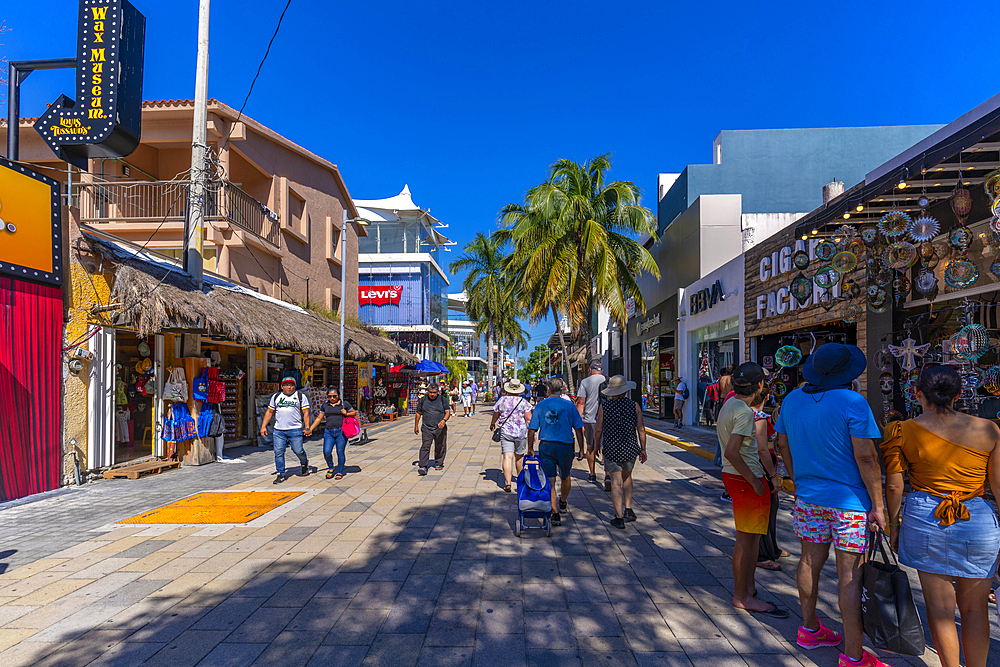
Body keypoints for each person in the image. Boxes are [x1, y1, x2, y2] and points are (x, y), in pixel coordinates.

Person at [775, 343, 887, 667]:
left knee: (809, 561)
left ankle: (809, 629)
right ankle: (853, 656)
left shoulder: (792, 399)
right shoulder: (854, 401)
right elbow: (866, 456)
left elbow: (781, 442)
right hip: (850, 504)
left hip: (809, 498)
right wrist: (879, 506)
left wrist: (798, 480)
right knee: (850, 575)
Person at [881, 365, 1000, 667]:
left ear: (917, 392)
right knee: (975, 610)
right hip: (978, 521)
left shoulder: (902, 430)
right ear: (960, 394)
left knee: (940, 609)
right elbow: (998, 486)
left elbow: (895, 485)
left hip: (924, 519)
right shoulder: (989, 429)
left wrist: (894, 524)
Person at [718, 363, 788, 619]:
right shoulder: (746, 413)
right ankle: (741, 595)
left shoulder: (731, 405)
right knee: (746, 541)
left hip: (737, 476)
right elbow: (732, 452)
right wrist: (757, 482)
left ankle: (747, 587)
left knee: (752, 538)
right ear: (759, 386)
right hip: (745, 477)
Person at [527, 378, 585, 526]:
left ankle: (555, 513)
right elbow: (579, 429)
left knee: (550, 480)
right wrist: (581, 448)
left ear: (548, 390)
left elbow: (532, 429)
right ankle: (563, 502)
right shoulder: (569, 406)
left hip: (547, 445)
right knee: (565, 476)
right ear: (562, 391)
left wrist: (530, 448)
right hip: (566, 445)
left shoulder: (541, 405)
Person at [594, 375, 647, 529]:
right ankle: (628, 510)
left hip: (612, 448)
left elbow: (598, 429)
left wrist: (597, 445)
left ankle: (618, 517)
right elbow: (641, 430)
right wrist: (643, 449)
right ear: (625, 391)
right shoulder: (634, 405)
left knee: (615, 482)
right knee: (627, 477)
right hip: (630, 448)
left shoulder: (605, 407)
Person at [751, 392, 786, 571]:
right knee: (767, 508)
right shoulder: (759, 418)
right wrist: (773, 476)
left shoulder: (747, 414)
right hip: (764, 466)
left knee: (772, 507)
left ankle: (771, 547)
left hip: (764, 464)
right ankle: (763, 552)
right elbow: (763, 449)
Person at [260, 376, 311, 484]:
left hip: (295, 429)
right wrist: (263, 426)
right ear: (282, 386)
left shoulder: (300, 396)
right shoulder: (276, 396)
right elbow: (269, 412)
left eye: (291, 385)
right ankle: (280, 474)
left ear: (295, 386)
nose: (289, 387)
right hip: (279, 430)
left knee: (298, 450)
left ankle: (304, 462)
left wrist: (307, 427)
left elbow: (306, 413)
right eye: (286, 385)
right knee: (278, 451)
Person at [490, 378, 533, 492]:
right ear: (519, 390)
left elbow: (496, 414)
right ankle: (519, 482)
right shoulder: (524, 402)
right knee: (519, 457)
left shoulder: (502, 400)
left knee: (507, 457)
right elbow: (529, 420)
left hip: (506, 432)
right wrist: (532, 435)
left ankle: (508, 483)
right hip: (521, 433)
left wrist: (492, 423)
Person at [306, 388, 357, 480]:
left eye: (334, 396)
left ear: (338, 395)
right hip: (328, 432)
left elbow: (354, 412)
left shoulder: (344, 404)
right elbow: (319, 418)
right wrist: (310, 429)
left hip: (341, 432)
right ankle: (331, 467)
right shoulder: (325, 405)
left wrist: (346, 413)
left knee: (340, 452)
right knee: (326, 451)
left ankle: (340, 471)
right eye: (330, 396)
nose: (332, 398)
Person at [576, 360, 611, 491]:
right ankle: (607, 475)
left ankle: (592, 474)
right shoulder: (608, 380)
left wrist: (578, 421)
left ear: (590, 370)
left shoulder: (585, 382)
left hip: (590, 419)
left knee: (590, 447)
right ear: (601, 371)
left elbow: (581, 402)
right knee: (606, 446)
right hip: (607, 418)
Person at [414, 383, 451, 475]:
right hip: (426, 427)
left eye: (434, 392)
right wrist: (416, 426)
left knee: (440, 446)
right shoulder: (422, 400)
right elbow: (418, 413)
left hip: (440, 428)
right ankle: (423, 466)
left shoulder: (442, 399)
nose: (432, 394)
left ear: (437, 392)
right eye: (430, 392)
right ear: (427, 392)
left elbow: (447, 412)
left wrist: (444, 420)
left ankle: (439, 462)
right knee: (425, 446)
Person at [714, 365, 735, 469]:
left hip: (721, 400)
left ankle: (718, 459)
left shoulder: (721, 379)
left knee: (722, 431)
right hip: (730, 399)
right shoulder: (732, 379)